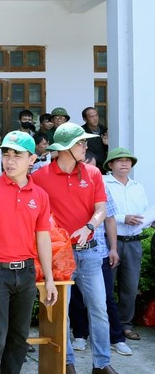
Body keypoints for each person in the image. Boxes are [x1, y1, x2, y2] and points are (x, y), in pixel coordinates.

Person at [0, 131, 58, 374]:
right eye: (6, 154)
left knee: (19, 339)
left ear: (31, 159)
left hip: (26, 273)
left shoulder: (40, 195)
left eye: (17, 155)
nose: (10, 160)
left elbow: (43, 237)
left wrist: (48, 278)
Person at [31, 122, 115, 374]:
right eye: (81, 142)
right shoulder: (39, 176)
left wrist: (90, 225)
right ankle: (65, 363)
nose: (86, 146)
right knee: (60, 312)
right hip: (57, 255)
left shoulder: (93, 173)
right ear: (67, 147)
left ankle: (102, 364)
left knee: (99, 308)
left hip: (89, 251)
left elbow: (101, 210)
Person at [70, 151, 132, 357]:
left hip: (99, 250)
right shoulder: (66, 186)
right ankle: (80, 334)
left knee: (105, 298)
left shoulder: (100, 185)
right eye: (88, 165)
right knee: (77, 298)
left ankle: (116, 338)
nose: (91, 170)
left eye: (94, 166)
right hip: (71, 250)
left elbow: (110, 219)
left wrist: (113, 248)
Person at [103, 147, 149, 342]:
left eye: (128, 161)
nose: (124, 163)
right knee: (106, 286)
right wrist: (123, 218)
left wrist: (149, 219)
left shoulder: (137, 186)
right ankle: (105, 326)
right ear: (110, 165)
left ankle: (125, 325)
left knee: (130, 287)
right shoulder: (104, 183)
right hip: (110, 241)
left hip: (134, 242)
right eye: (119, 160)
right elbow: (100, 210)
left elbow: (145, 210)